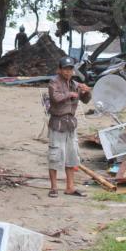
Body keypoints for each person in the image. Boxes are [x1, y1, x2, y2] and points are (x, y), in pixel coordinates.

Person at [46, 56, 91, 197]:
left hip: (71, 124)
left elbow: (86, 100)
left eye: (70, 69)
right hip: (57, 123)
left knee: (72, 156)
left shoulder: (75, 84)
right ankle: (53, 188)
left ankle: (70, 187)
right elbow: (56, 98)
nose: (68, 72)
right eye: (65, 69)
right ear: (59, 69)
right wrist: (69, 94)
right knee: (55, 156)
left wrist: (86, 91)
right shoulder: (54, 82)